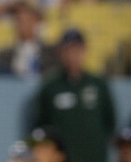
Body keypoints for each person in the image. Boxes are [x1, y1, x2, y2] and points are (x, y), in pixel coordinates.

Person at [31, 29, 116, 162]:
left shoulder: (98, 85)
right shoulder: (50, 87)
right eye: (68, 50)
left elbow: (110, 122)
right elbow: (41, 125)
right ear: (61, 53)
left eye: (77, 50)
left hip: (94, 157)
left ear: (85, 51)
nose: (73, 55)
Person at [0, 0, 59, 77]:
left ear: (37, 19)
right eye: (18, 17)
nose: (22, 21)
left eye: (27, 17)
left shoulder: (51, 54)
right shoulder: (5, 55)